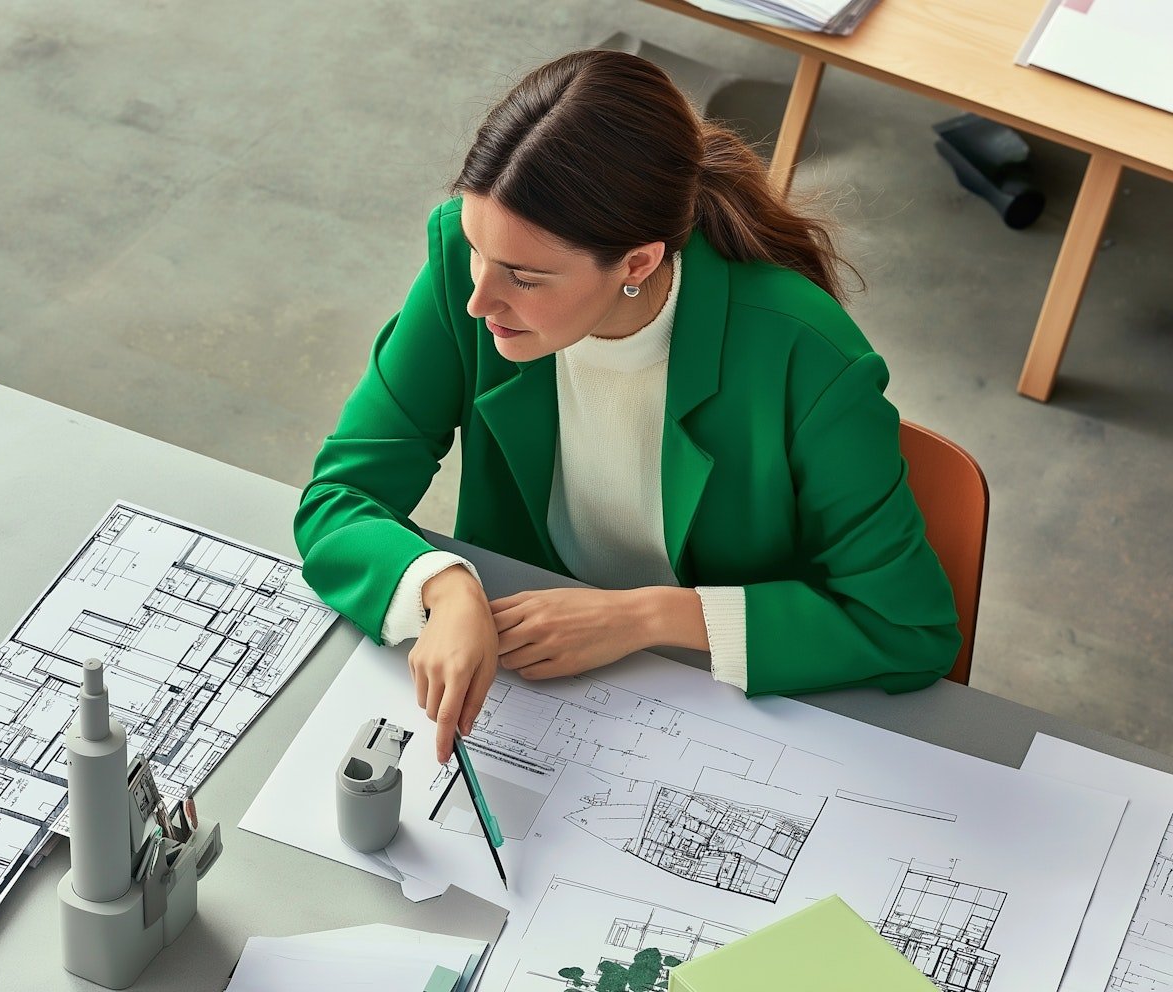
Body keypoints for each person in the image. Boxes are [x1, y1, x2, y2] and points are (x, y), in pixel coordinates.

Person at [295, 49, 960, 764]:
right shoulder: (471, 267)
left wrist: (646, 616)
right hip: (534, 692)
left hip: (719, 712)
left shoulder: (806, 353)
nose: (478, 300)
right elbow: (341, 495)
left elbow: (908, 627)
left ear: (638, 263)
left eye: (525, 278)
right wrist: (444, 587)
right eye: (476, 250)